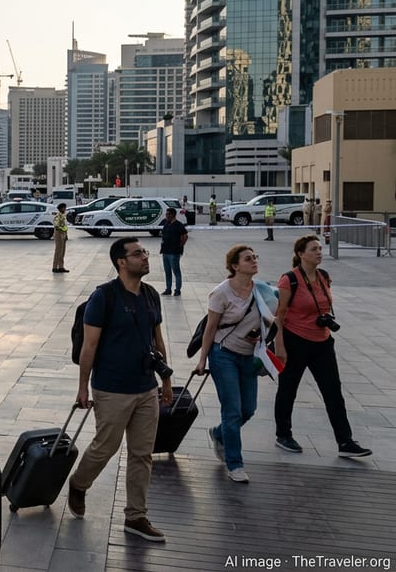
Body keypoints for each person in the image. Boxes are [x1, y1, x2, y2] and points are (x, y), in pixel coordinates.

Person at [69, 237, 173, 543]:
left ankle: (136, 516)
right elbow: (89, 346)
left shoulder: (151, 295)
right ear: (121, 262)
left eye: (144, 252)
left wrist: (166, 380)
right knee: (106, 446)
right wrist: (82, 387)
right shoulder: (104, 297)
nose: (145, 256)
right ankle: (79, 483)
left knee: (142, 454)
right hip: (112, 388)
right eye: (137, 253)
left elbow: (158, 340)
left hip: (146, 387)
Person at [273, 235, 371, 458]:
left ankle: (345, 442)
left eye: (320, 248)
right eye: (314, 249)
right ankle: (283, 434)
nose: (319, 252)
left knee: (333, 392)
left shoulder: (324, 276)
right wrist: (280, 345)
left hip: (322, 341)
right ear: (300, 254)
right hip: (295, 341)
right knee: (288, 390)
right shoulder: (289, 280)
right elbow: (279, 314)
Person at [196, 245, 278, 484]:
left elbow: (272, 320)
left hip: (249, 355)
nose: (254, 261)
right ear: (234, 266)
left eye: (255, 257)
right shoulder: (221, 293)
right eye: (248, 259)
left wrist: (261, 336)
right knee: (232, 411)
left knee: (248, 410)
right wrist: (202, 359)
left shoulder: (261, 289)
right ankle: (235, 464)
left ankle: (218, 433)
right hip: (224, 354)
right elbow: (210, 328)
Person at [159, 207, 188, 297]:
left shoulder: (179, 225)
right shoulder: (166, 223)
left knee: (176, 271)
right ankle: (168, 289)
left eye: (168, 214)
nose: (166, 216)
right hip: (165, 251)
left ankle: (177, 290)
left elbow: (185, 236)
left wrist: (180, 245)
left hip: (174, 252)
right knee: (167, 271)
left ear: (172, 215)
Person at [52, 203, 69, 274]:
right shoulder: (58, 215)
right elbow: (56, 225)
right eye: (64, 208)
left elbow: (64, 225)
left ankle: (61, 267)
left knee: (62, 251)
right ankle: (55, 267)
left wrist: (65, 234)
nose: (65, 209)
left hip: (63, 233)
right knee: (58, 251)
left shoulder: (63, 215)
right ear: (61, 208)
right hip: (59, 234)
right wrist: (61, 231)